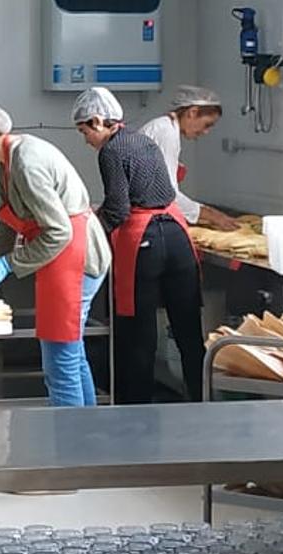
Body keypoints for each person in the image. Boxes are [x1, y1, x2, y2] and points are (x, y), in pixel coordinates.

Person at [0, 95, 110, 407]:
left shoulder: (26, 161)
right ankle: (87, 438)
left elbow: (59, 231)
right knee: (71, 357)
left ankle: (71, 449)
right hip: (64, 254)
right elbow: (9, 220)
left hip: (74, 256)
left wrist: (7, 264)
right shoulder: (7, 159)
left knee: (61, 364)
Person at [73, 87, 205, 404]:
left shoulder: (111, 151)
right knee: (189, 333)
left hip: (145, 243)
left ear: (97, 121)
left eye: (84, 131)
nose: (86, 140)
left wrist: (84, 234)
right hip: (177, 237)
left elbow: (118, 210)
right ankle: (204, 402)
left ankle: (136, 416)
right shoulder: (143, 140)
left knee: (139, 337)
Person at [138, 84, 239, 231]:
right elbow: (167, 195)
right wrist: (212, 216)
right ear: (192, 112)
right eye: (207, 124)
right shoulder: (166, 133)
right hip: (145, 222)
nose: (206, 132)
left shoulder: (163, 127)